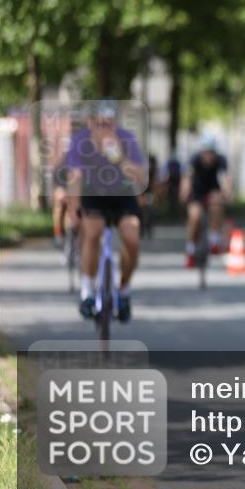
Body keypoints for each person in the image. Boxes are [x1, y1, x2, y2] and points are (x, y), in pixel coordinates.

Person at [64, 99, 147, 322]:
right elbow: (75, 177)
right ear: (90, 122)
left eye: (109, 123)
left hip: (122, 195)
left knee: (132, 237)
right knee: (92, 231)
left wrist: (119, 157)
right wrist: (73, 208)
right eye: (100, 123)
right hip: (93, 195)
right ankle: (88, 291)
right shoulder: (80, 141)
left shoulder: (125, 139)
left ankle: (124, 291)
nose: (105, 128)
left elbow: (141, 176)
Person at [181, 134, 231, 268]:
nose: (208, 156)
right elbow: (187, 177)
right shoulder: (194, 159)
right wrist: (184, 192)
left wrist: (227, 193)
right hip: (197, 192)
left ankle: (214, 240)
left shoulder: (221, 160)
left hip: (213, 190)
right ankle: (190, 249)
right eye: (206, 153)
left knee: (217, 205)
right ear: (202, 152)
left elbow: (226, 178)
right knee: (195, 216)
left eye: (211, 153)